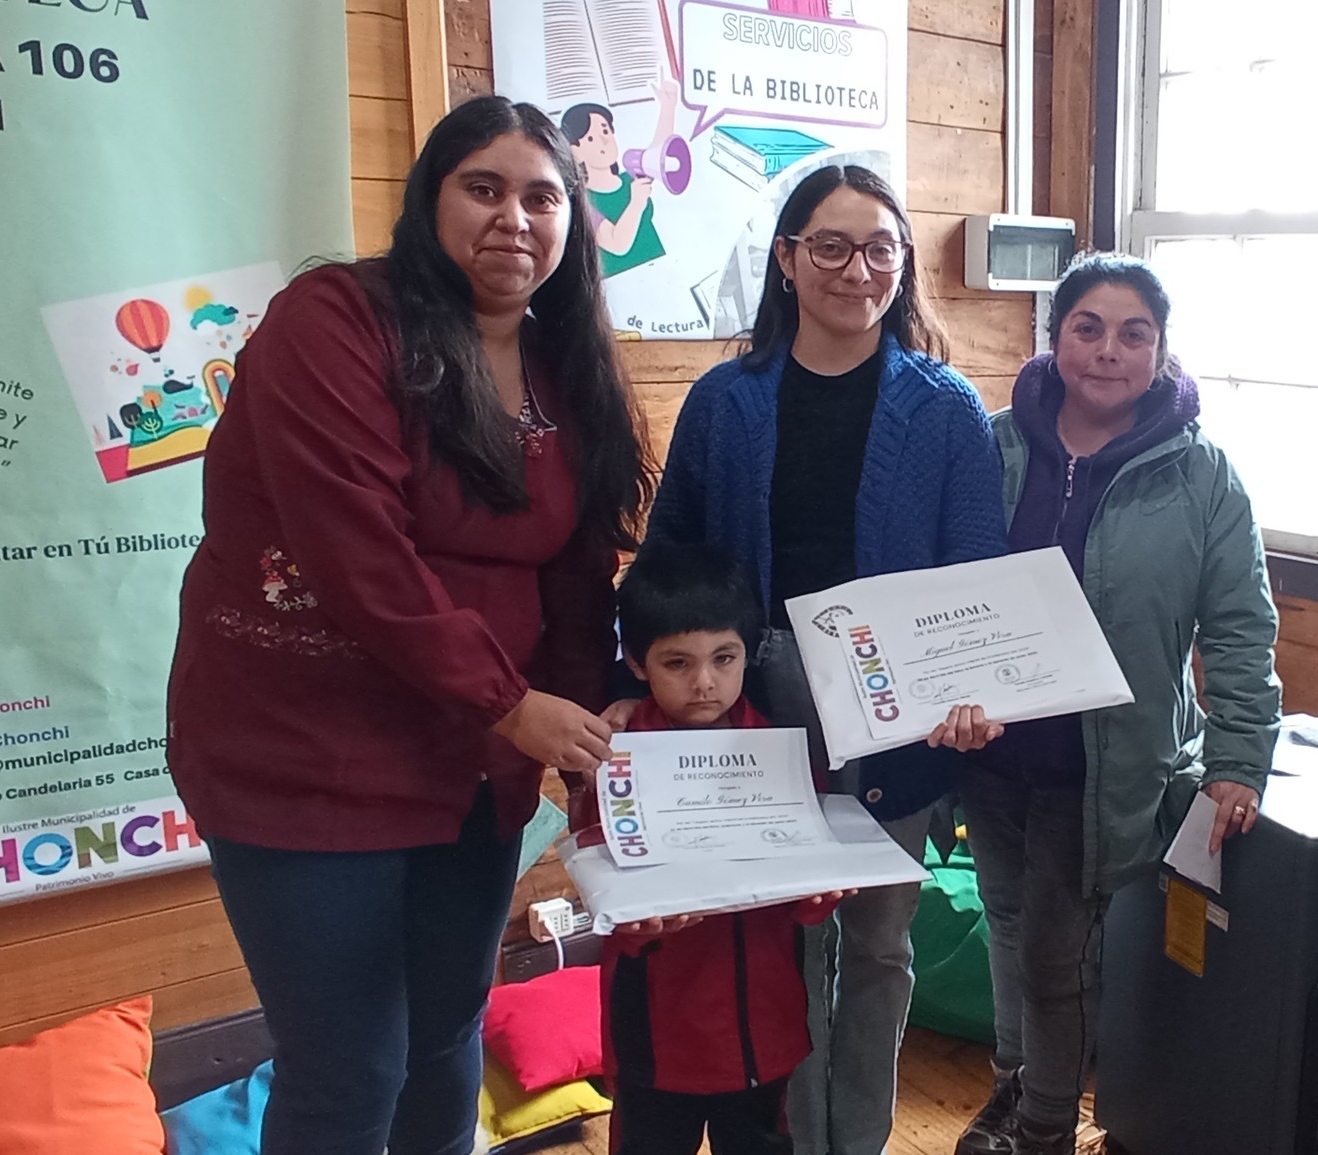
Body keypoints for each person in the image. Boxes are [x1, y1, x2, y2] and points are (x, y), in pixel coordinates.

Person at [166, 96, 650, 1155]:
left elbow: (577, 577)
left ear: (574, 218)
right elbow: (356, 556)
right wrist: (510, 703)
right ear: (429, 198)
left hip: (472, 767)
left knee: (443, 1044)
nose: (514, 218)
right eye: (483, 188)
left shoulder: (570, 365)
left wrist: (586, 767)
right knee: (348, 1069)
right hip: (302, 755)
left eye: (542, 196)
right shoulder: (334, 322)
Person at [628, 163, 1007, 1155]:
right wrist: (644, 690)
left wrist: (971, 695)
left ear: (902, 262)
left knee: (880, 947)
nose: (856, 269)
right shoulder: (724, 401)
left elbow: (978, 579)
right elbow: (670, 559)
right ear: (788, 260)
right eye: (830, 246)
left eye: (879, 247)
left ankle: (860, 1142)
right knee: (778, 939)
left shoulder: (947, 409)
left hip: (903, 708)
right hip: (754, 706)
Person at [951, 253, 1282, 1155]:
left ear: (1163, 350)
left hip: (1107, 761)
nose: (1108, 351)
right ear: (1053, 338)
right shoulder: (988, 441)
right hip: (989, 753)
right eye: (1087, 328)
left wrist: (1238, 759)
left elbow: (1241, 624)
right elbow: (938, 589)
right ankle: (1015, 1086)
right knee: (1007, 925)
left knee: (1058, 957)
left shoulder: (1202, 473)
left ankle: (1047, 1129)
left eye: (1134, 333)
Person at [567, 544, 846, 1155]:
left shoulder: (781, 753)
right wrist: (639, 923)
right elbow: (601, 887)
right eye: (677, 662)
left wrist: (819, 894)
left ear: (749, 653)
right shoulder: (613, 760)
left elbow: (801, 890)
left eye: (725, 658)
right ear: (638, 664)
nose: (704, 682)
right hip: (657, 1036)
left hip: (764, 1032)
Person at [563, 101, 670, 278]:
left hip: (661, 274)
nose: (604, 140)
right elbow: (617, 244)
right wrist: (636, 204)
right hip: (622, 284)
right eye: (590, 138)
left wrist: (669, 106)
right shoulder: (581, 202)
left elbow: (659, 152)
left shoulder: (630, 179)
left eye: (605, 131)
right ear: (576, 151)